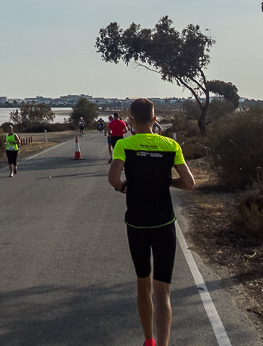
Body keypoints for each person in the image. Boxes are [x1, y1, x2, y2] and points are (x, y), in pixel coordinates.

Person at [107, 98, 195, 346]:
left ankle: (149, 340)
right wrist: (168, 182)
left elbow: (113, 178)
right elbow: (189, 184)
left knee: (143, 284)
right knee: (162, 290)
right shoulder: (171, 145)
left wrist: (123, 187)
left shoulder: (124, 144)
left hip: (136, 224)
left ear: (131, 121)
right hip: (163, 223)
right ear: (155, 119)